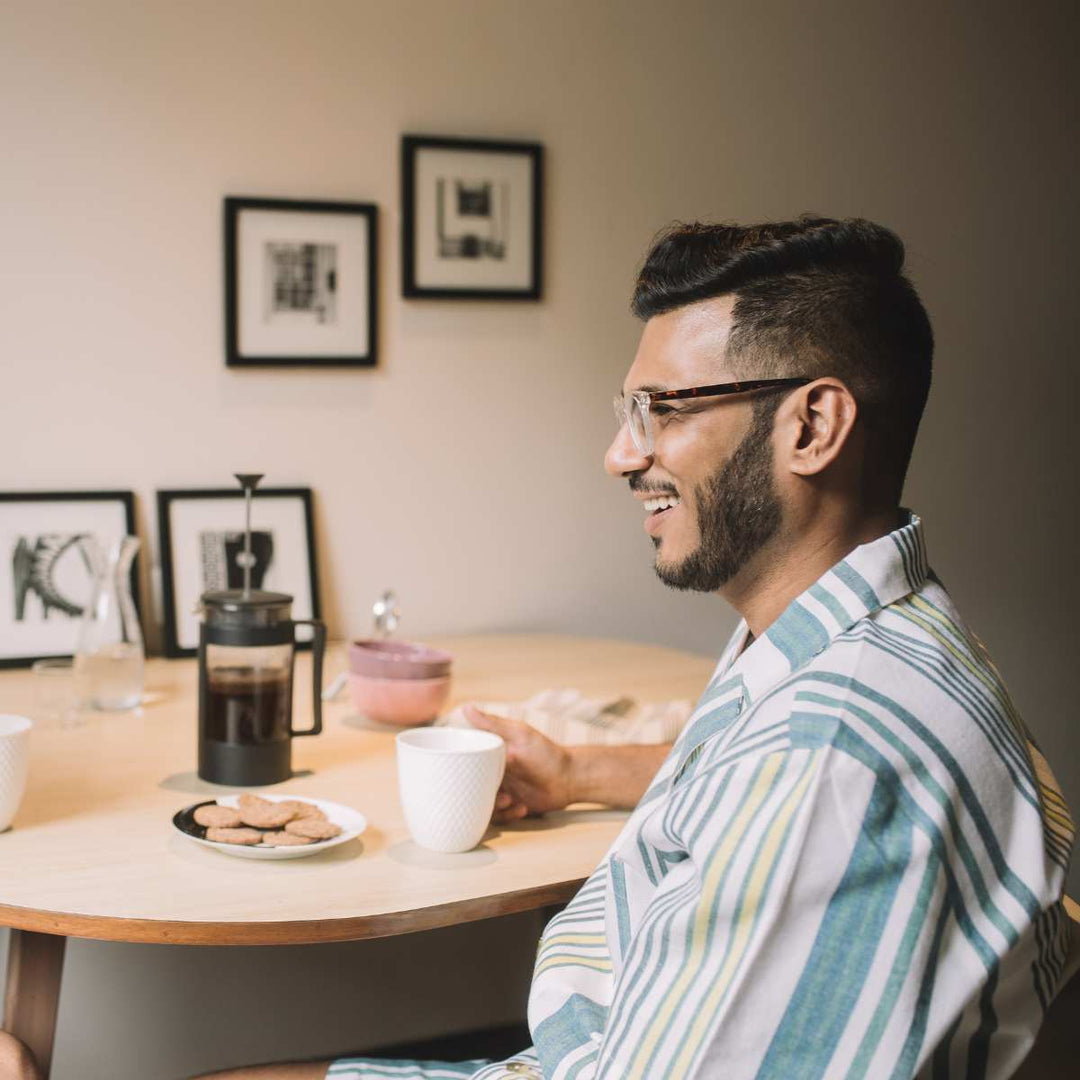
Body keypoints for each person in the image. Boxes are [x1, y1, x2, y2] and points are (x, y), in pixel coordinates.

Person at [3, 216, 1068, 1079]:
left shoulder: (838, 770)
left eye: (661, 410)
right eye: (625, 409)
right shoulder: (866, 649)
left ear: (812, 427)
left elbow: (807, 790)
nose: (621, 453)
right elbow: (756, 780)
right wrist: (582, 773)